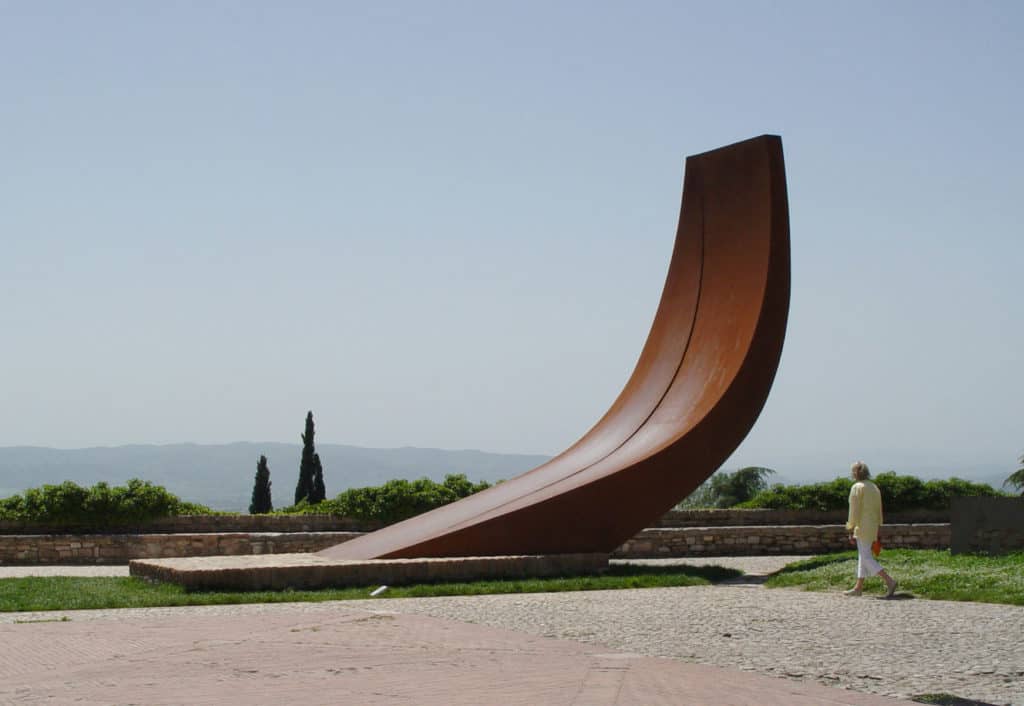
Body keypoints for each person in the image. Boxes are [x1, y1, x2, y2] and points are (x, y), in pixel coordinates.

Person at [844, 461, 898, 598]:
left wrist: (850, 528)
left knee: (866, 557)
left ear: (855, 473)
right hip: (872, 525)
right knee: (863, 556)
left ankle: (889, 581)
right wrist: (878, 526)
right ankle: (858, 588)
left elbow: (854, 511)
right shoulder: (874, 487)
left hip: (862, 526)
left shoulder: (857, 487)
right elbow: (878, 510)